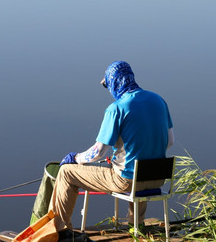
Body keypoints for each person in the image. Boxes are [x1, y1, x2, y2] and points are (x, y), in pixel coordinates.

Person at [48, 61, 174, 229]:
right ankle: (136, 226)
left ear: (114, 83)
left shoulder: (116, 108)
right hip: (158, 179)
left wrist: (75, 158)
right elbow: (170, 141)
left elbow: (98, 152)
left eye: (108, 85)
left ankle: (59, 231)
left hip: (127, 181)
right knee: (139, 166)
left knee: (66, 173)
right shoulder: (158, 101)